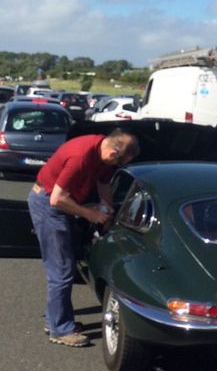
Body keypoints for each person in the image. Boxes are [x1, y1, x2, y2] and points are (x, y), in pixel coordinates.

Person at [27, 128, 140, 347]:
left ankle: (55, 320)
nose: (117, 166)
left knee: (63, 267)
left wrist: (107, 208)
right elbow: (57, 199)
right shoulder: (81, 156)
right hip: (48, 204)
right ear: (113, 151)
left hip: (63, 204)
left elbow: (104, 184)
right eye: (118, 162)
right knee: (61, 269)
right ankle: (60, 330)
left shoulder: (103, 154)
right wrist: (91, 214)